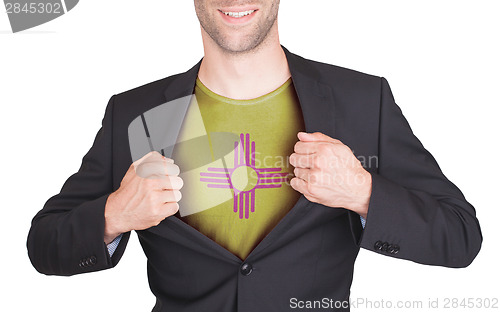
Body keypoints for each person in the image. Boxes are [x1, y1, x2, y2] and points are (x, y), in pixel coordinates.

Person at [27, 1, 482, 311]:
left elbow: (460, 236)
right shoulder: (136, 113)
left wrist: (363, 192)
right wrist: (114, 214)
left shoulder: (362, 101)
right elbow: (44, 245)